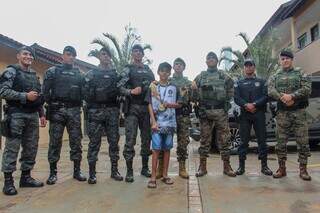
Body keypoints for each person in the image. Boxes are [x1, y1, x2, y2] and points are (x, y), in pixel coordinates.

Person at [0, 46, 46, 195]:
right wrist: (24, 96)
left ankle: (26, 177)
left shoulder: (34, 75)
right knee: (12, 147)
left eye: (31, 55)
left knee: (31, 147)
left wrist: (42, 114)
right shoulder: (11, 71)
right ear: (18, 56)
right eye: (25, 54)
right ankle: (8, 182)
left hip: (32, 115)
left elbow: (38, 96)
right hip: (16, 114)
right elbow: (3, 91)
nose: (29, 57)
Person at [43, 46, 87, 185]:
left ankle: (77, 171)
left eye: (73, 55)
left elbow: (84, 92)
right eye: (68, 54)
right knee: (55, 142)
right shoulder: (53, 71)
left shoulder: (79, 74)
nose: (71, 57)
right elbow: (45, 92)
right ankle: (53, 173)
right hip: (57, 111)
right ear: (62, 56)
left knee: (76, 142)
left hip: (74, 111)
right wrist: (52, 104)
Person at [268, 49, 312, 181]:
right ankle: (282, 169)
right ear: (280, 61)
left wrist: (292, 96)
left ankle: (303, 170)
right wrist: (283, 98)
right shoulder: (275, 76)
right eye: (282, 59)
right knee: (280, 143)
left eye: (287, 58)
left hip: (299, 112)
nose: (285, 60)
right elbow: (270, 90)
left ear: (292, 60)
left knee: (303, 142)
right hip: (282, 114)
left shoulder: (300, 73)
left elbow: (307, 89)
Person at [192, 51, 236, 177]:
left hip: (220, 112)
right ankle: (202, 167)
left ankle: (227, 166)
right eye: (208, 58)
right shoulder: (200, 76)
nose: (210, 60)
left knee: (224, 139)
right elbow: (193, 96)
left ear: (217, 61)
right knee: (204, 140)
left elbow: (231, 88)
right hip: (205, 112)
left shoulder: (223, 75)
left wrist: (226, 103)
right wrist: (194, 90)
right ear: (206, 61)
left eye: (213, 58)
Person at [83, 48, 123, 184]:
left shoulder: (115, 74)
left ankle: (114, 171)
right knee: (94, 143)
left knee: (114, 142)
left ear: (110, 58)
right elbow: (85, 91)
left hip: (112, 111)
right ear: (99, 56)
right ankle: (92, 173)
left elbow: (121, 90)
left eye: (108, 55)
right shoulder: (91, 73)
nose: (106, 57)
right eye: (103, 54)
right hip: (96, 111)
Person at [118, 44, 155, 182]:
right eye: (135, 51)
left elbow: (154, 87)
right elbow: (119, 87)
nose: (138, 53)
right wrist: (130, 91)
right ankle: (129, 171)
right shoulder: (128, 69)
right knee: (130, 139)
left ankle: (145, 168)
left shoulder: (148, 70)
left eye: (140, 51)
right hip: (132, 108)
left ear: (143, 54)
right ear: (132, 54)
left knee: (146, 139)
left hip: (145, 109)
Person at [234, 59, 273, 176]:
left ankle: (264, 166)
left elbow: (266, 96)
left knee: (262, 140)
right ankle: (241, 167)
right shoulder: (239, 83)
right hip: (245, 115)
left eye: (251, 65)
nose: (249, 67)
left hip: (259, 113)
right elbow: (236, 98)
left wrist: (255, 104)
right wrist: (246, 105)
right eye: (246, 66)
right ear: (244, 68)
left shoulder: (261, 82)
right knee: (243, 141)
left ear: (254, 67)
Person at [147, 62, 180, 188]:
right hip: (157, 124)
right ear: (158, 72)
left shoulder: (174, 87)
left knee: (167, 149)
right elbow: (149, 104)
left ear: (170, 73)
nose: (164, 73)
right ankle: (153, 177)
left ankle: (165, 175)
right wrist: (153, 121)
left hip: (170, 124)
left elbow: (180, 104)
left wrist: (168, 105)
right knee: (156, 150)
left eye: (167, 71)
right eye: (162, 70)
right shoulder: (153, 87)